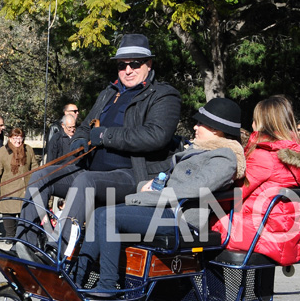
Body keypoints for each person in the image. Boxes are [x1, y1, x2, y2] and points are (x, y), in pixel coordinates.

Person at [19, 33, 182, 244]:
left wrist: (105, 135)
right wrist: (78, 140)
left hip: (132, 174)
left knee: (86, 181)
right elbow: (86, 127)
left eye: (135, 64)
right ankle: (25, 243)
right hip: (90, 170)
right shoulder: (109, 93)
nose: (128, 70)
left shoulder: (163, 95)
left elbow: (156, 135)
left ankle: (62, 250)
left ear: (148, 64)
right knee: (41, 175)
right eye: (122, 66)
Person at [78, 98, 246, 292]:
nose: (195, 127)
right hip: (164, 210)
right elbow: (173, 183)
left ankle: (106, 288)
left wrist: (143, 198)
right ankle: (78, 279)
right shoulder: (198, 151)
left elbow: (193, 189)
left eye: (201, 123)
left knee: (109, 216)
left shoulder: (224, 158)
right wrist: (146, 187)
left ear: (216, 129)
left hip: (181, 219)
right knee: (100, 213)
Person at [212, 95, 300, 264]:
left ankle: (214, 291)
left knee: (195, 231)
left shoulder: (264, 156)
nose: (252, 124)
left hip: (256, 235)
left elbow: (235, 191)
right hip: (286, 238)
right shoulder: (299, 156)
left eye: (254, 119)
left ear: (261, 122)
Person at [0, 128, 37, 242]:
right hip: (8, 189)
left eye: (20, 138)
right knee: (8, 215)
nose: (17, 141)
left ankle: (21, 237)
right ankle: (10, 236)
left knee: (24, 215)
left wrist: (36, 183)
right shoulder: (2, 151)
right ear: (10, 138)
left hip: (25, 188)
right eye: (15, 138)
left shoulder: (28, 150)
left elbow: (35, 167)